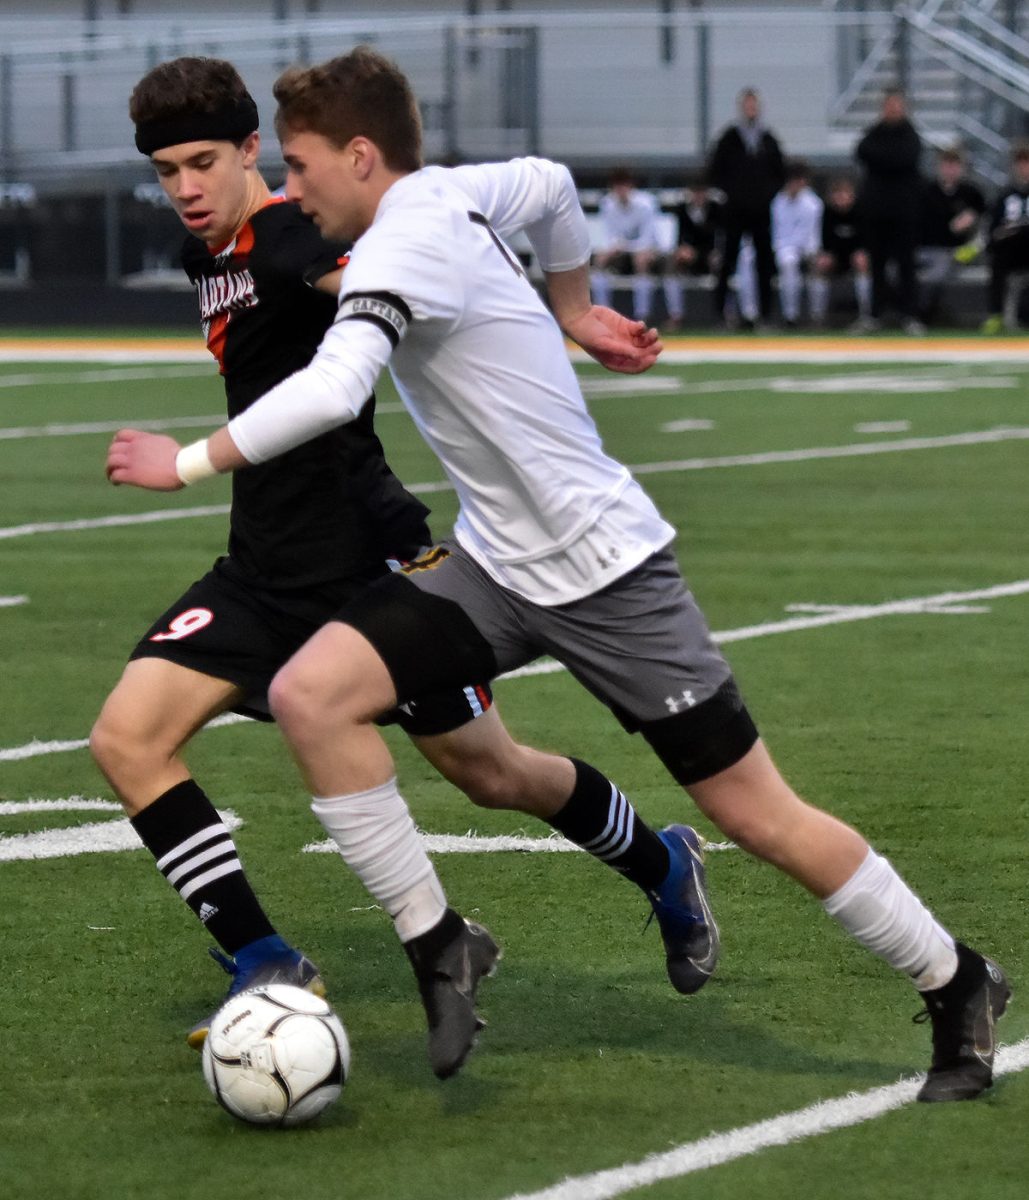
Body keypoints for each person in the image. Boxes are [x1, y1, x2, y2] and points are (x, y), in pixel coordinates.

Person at [108, 47, 1009, 1104]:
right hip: (492, 563)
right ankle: (437, 943)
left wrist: (183, 462)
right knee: (316, 695)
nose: (290, 195)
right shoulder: (447, 189)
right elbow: (552, 184)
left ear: (358, 157)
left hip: (607, 574)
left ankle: (956, 979)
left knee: (756, 814)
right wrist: (576, 307)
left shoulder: (399, 248)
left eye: (298, 168)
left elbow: (336, 385)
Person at [94, 55, 717, 1080]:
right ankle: (264, 957)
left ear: (257, 150)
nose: (186, 189)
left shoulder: (307, 237)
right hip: (263, 569)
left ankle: (664, 864)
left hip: (372, 564)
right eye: (166, 172)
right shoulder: (209, 249)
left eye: (204, 162)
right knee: (127, 738)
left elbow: (408, 272)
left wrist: (545, 318)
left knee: (492, 773)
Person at [707, 88, 785, 328]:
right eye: (747, 105)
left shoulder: (768, 139)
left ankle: (764, 315)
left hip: (761, 211)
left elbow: (779, 172)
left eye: (754, 105)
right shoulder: (729, 138)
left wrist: (766, 194)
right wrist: (733, 193)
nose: (751, 109)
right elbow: (715, 171)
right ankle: (721, 313)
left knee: (764, 262)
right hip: (735, 210)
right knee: (728, 260)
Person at [855, 87, 925, 334]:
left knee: (906, 265)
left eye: (897, 105)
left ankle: (910, 315)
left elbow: (904, 158)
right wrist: (888, 160)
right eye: (889, 105)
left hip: (904, 212)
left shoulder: (910, 135)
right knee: (877, 266)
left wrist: (882, 160)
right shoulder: (875, 132)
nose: (893, 109)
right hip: (877, 212)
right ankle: (874, 314)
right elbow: (862, 151)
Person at [918, 146, 986, 325]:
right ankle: (904, 314)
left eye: (954, 164)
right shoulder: (927, 191)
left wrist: (971, 220)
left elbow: (984, 228)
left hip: (954, 251)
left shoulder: (971, 193)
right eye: (946, 164)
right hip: (925, 248)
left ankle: (921, 316)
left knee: (937, 271)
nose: (950, 169)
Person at [589, 167, 665, 325]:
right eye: (617, 186)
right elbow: (609, 235)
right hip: (621, 251)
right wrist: (615, 248)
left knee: (641, 261)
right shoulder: (607, 204)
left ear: (630, 186)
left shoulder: (646, 204)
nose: (620, 190)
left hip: (648, 250)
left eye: (623, 186)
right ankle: (604, 315)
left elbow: (648, 238)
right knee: (599, 261)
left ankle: (642, 315)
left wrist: (626, 246)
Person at [809, 175, 872, 328]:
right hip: (836, 258)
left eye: (844, 194)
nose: (841, 198)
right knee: (821, 265)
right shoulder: (827, 213)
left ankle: (867, 315)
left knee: (862, 261)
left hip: (855, 257)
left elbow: (867, 242)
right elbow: (824, 243)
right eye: (837, 194)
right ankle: (817, 316)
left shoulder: (861, 212)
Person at [768, 159, 823, 327]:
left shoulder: (813, 204)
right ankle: (790, 316)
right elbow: (776, 233)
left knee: (817, 267)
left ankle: (817, 316)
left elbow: (813, 234)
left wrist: (812, 254)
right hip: (782, 249)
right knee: (788, 261)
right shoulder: (776, 202)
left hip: (807, 249)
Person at [981, 141, 1029, 333]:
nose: (1024, 168)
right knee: (998, 259)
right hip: (1011, 251)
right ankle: (996, 313)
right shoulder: (1004, 195)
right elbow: (994, 230)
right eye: (1021, 163)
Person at [663, 180, 724, 331]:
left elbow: (720, 235)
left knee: (723, 267)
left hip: (710, 254)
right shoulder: (682, 210)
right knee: (672, 267)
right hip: (689, 254)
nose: (699, 196)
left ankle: (724, 315)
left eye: (702, 192)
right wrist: (683, 249)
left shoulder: (716, 209)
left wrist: (716, 252)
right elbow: (678, 237)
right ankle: (675, 315)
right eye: (696, 192)